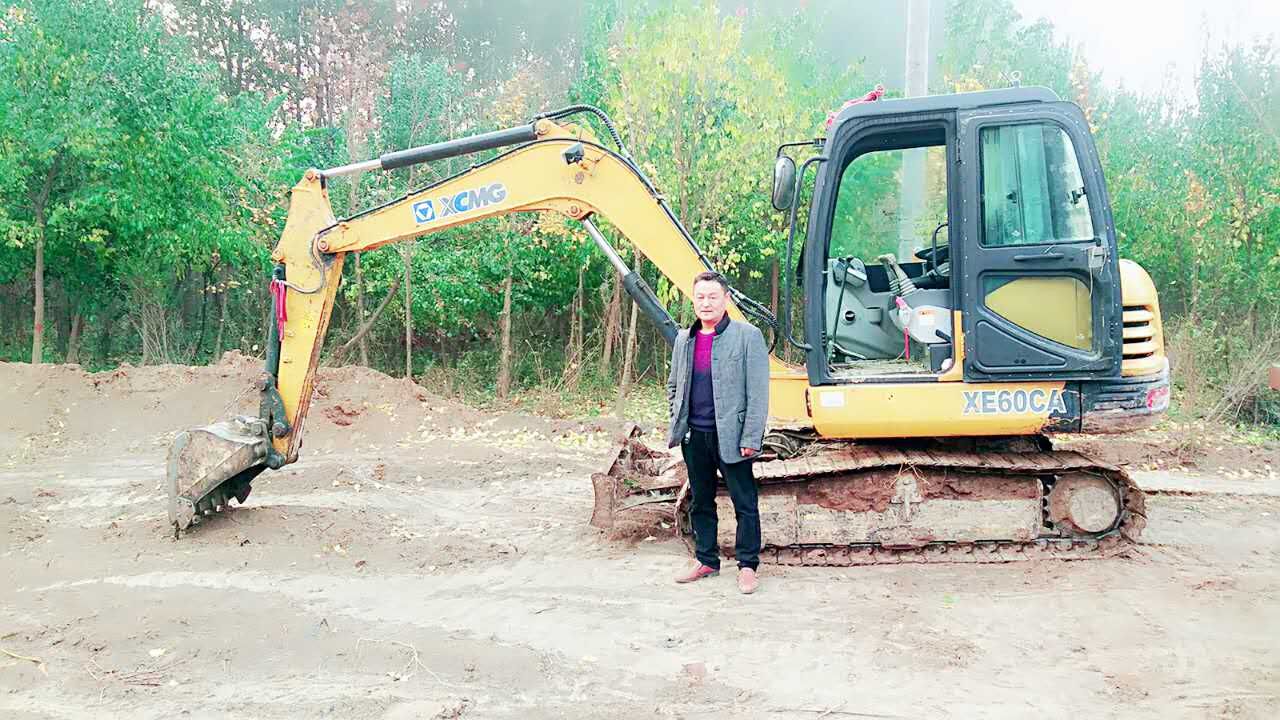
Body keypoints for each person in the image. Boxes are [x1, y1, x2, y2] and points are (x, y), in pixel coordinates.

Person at [667, 271, 770, 594]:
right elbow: (674, 385)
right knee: (701, 501)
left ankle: (747, 565)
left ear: (726, 299)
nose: (706, 303)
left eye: (713, 297)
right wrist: (677, 419)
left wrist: (751, 437)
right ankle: (706, 559)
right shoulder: (684, 339)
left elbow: (758, 394)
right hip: (694, 437)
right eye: (700, 297)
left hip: (733, 438)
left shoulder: (747, 336)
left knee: (744, 503)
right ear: (693, 301)